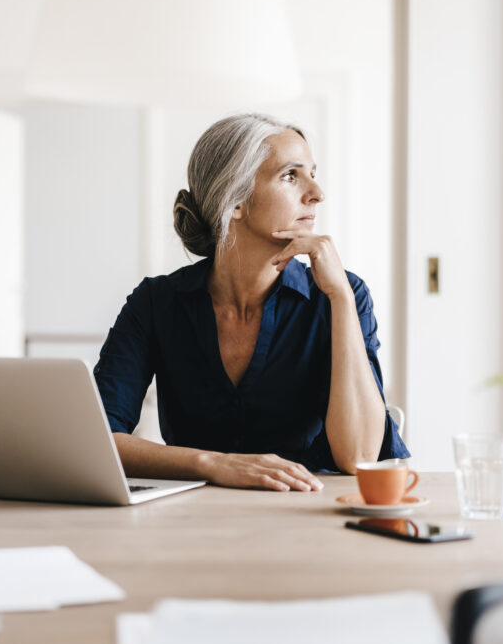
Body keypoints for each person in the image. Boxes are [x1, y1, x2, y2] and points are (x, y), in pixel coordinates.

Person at [94, 113, 408, 492]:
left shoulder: (343, 294)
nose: (317, 192)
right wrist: (213, 464)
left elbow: (358, 457)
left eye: (312, 172)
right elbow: (98, 440)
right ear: (236, 201)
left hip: (314, 518)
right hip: (192, 524)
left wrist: (339, 297)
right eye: (291, 175)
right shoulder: (156, 304)